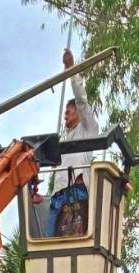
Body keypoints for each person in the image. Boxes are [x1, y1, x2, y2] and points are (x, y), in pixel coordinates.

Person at [48, 47, 100, 236]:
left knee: (75, 239)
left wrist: (71, 70)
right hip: (58, 197)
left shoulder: (88, 129)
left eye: (68, 112)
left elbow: (81, 100)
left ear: (78, 113)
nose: (65, 116)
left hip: (76, 193)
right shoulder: (62, 139)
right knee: (52, 242)